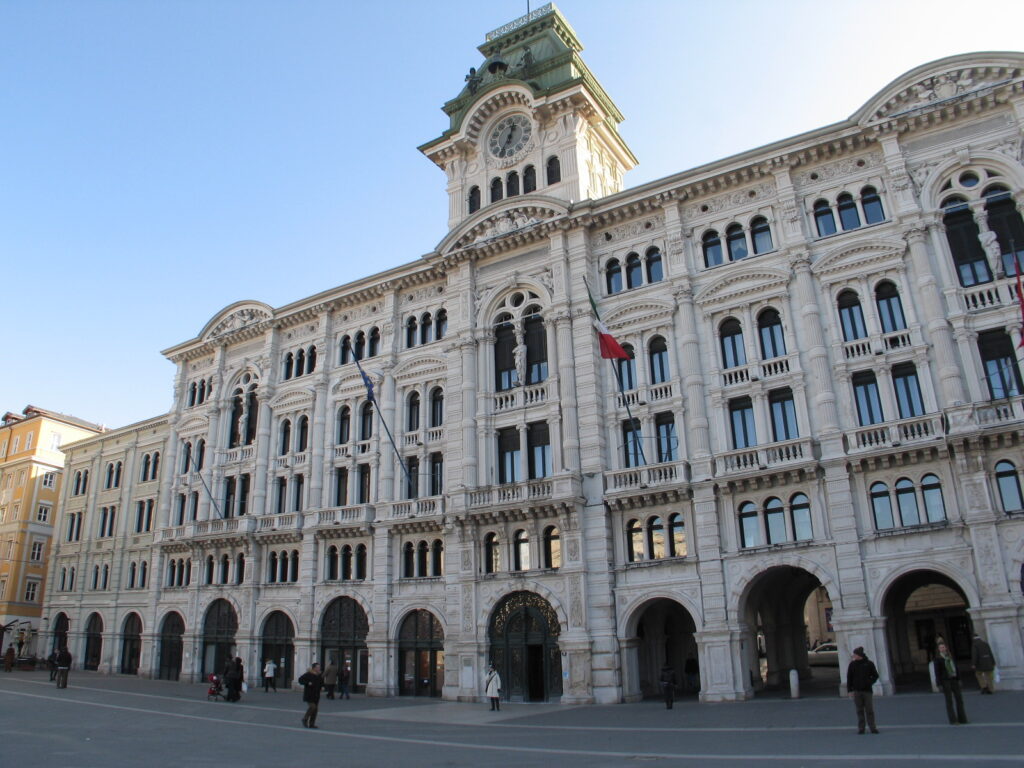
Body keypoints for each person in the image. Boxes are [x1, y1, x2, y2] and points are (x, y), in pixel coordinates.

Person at [846, 646, 880, 734]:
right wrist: (849, 690)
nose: (853, 656)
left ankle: (872, 727)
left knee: (869, 710)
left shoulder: (869, 664)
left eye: (855, 654)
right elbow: (849, 678)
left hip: (867, 690)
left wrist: (870, 682)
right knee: (859, 710)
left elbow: (875, 675)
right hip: (857, 690)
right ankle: (861, 728)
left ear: (859, 655)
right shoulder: (852, 665)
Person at [933, 641, 968, 725]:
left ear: (946, 648)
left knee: (959, 699)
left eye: (943, 647)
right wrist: (939, 684)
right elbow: (937, 672)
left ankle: (963, 719)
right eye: (940, 648)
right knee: (949, 701)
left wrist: (959, 679)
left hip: (954, 678)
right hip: (945, 680)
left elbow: (956, 668)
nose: (942, 649)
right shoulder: (938, 659)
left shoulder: (950, 657)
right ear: (938, 650)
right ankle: (953, 720)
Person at [298, 663, 324, 729]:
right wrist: (307, 683)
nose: (319, 668)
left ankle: (312, 724)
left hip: (316, 694)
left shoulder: (319, 675)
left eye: (319, 667)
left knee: (315, 709)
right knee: (313, 707)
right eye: (317, 667)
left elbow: (321, 683)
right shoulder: (308, 674)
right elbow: (300, 680)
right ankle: (305, 719)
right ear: (314, 668)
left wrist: (322, 687)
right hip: (309, 694)